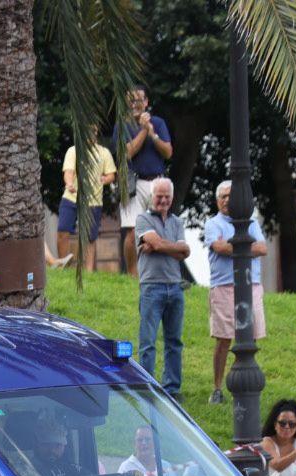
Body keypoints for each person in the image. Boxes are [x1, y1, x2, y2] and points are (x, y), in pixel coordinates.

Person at [204, 180, 268, 405]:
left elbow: (263, 248)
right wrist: (245, 247)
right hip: (224, 287)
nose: (227, 200)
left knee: (251, 337)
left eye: (231, 195)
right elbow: (218, 248)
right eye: (223, 196)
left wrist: (235, 247)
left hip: (251, 285)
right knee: (223, 339)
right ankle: (218, 387)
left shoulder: (251, 222)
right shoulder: (212, 223)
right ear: (217, 200)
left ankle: (243, 383)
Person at [135, 177, 189, 398]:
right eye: (159, 196)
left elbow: (186, 252)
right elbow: (176, 249)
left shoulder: (177, 222)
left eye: (167, 196)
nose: (163, 200)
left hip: (175, 287)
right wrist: (172, 247)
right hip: (151, 287)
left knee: (174, 341)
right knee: (148, 341)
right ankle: (147, 387)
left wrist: (158, 245)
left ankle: (172, 389)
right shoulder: (142, 219)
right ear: (151, 196)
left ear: (172, 197)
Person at [113, 86, 173, 276]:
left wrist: (152, 133)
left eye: (139, 100)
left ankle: (162, 272)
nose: (135, 104)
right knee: (131, 232)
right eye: (131, 101)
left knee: (162, 228)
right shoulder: (121, 126)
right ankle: (133, 275)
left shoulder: (158, 122)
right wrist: (143, 131)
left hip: (157, 182)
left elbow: (168, 152)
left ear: (146, 102)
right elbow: (127, 153)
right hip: (133, 183)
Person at [56, 136, 116, 269]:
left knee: (90, 238)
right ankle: (61, 266)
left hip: (93, 201)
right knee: (62, 231)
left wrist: (105, 179)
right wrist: (70, 184)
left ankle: (88, 272)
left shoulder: (104, 152)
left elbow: (111, 174)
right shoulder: (73, 150)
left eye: (93, 130)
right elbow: (68, 172)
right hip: (71, 198)